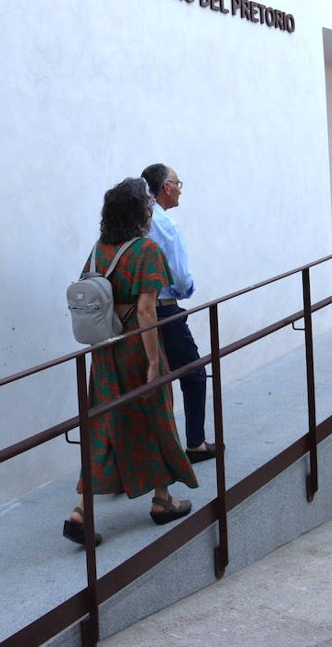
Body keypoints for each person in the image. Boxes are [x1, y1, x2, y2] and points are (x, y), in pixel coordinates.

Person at [64, 177, 197, 546]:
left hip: (104, 351)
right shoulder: (147, 251)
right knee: (155, 415)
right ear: (140, 211)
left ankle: (80, 511)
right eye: (148, 206)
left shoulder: (97, 250)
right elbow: (146, 310)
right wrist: (154, 361)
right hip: (136, 348)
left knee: (104, 424)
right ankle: (162, 500)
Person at [141, 163, 216, 463]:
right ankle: (195, 444)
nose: (181, 188)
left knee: (144, 380)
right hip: (162, 309)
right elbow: (181, 278)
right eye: (177, 183)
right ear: (166, 188)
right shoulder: (166, 225)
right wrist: (183, 292)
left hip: (134, 314)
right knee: (193, 373)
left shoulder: (134, 219)